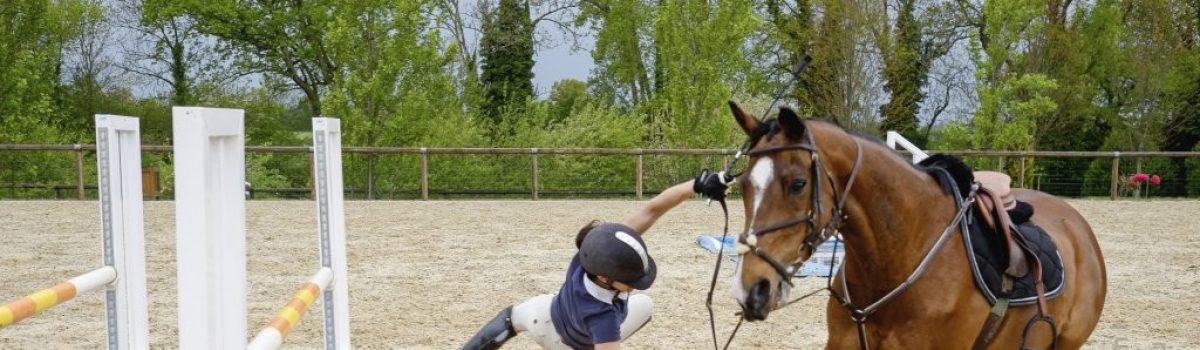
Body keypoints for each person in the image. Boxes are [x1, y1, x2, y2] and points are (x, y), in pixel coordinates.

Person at [462, 170, 735, 350]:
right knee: (645, 305)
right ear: (605, 277)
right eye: (629, 282)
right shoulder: (602, 316)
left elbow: (653, 209)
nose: (636, 284)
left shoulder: (594, 252)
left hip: (545, 316)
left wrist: (697, 184)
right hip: (584, 340)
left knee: (513, 316)